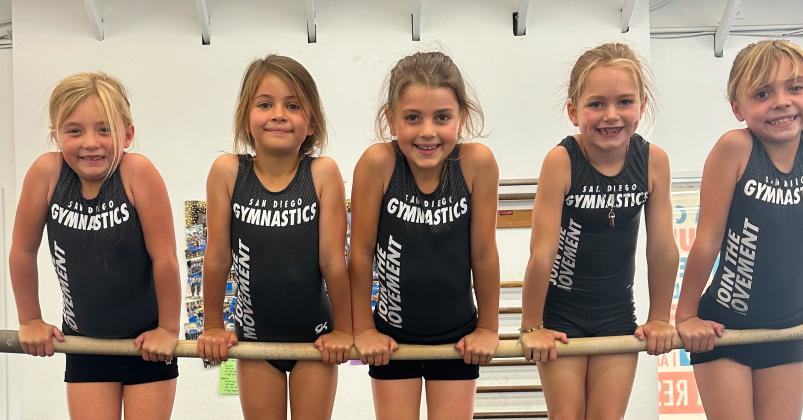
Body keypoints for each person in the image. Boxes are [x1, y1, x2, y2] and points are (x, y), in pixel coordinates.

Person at [675, 39, 803, 420]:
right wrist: (687, 315)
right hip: (725, 326)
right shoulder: (735, 148)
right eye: (762, 93)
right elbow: (707, 238)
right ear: (737, 108)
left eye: (795, 87)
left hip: (786, 327)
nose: (781, 101)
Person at [519, 43, 679, 419]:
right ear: (574, 111)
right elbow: (542, 252)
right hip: (561, 314)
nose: (612, 115)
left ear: (642, 105)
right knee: (567, 416)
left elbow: (661, 248)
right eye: (596, 104)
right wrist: (531, 325)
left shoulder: (653, 161)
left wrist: (659, 317)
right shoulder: (562, 161)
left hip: (616, 313)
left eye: (624, 102)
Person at [9, 72, 181, 420]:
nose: (91, 142)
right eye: (74, 130)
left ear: (127, 134)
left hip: (146, 343)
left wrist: (168, 329)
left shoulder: (136, 173)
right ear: (56, 134)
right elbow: (22, 251)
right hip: (84, 342)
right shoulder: (46, 174)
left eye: (105, 129)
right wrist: (30, 319)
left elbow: (164, 258)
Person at [196, 55, 353, 420]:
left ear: (311, 121)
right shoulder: (228, 172)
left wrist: (344, 329)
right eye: (265, 104)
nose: (279, 114)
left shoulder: (322, 173)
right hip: (254, 338)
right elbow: (218, 257)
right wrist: (213, 326)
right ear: (246, 117)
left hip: (314, 338)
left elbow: (334, 261)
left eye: (293, 105)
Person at [348, 51, 501, 420]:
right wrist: (364, 328)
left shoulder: (476, 163)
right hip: (392, 338)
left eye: (442, 117)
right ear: (391, 118)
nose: (427, 131)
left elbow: (483, 254)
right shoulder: (378, 163)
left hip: (457, 337)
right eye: (412, 118)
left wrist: (488, 328)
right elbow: (360, 252)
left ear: (461, 117)